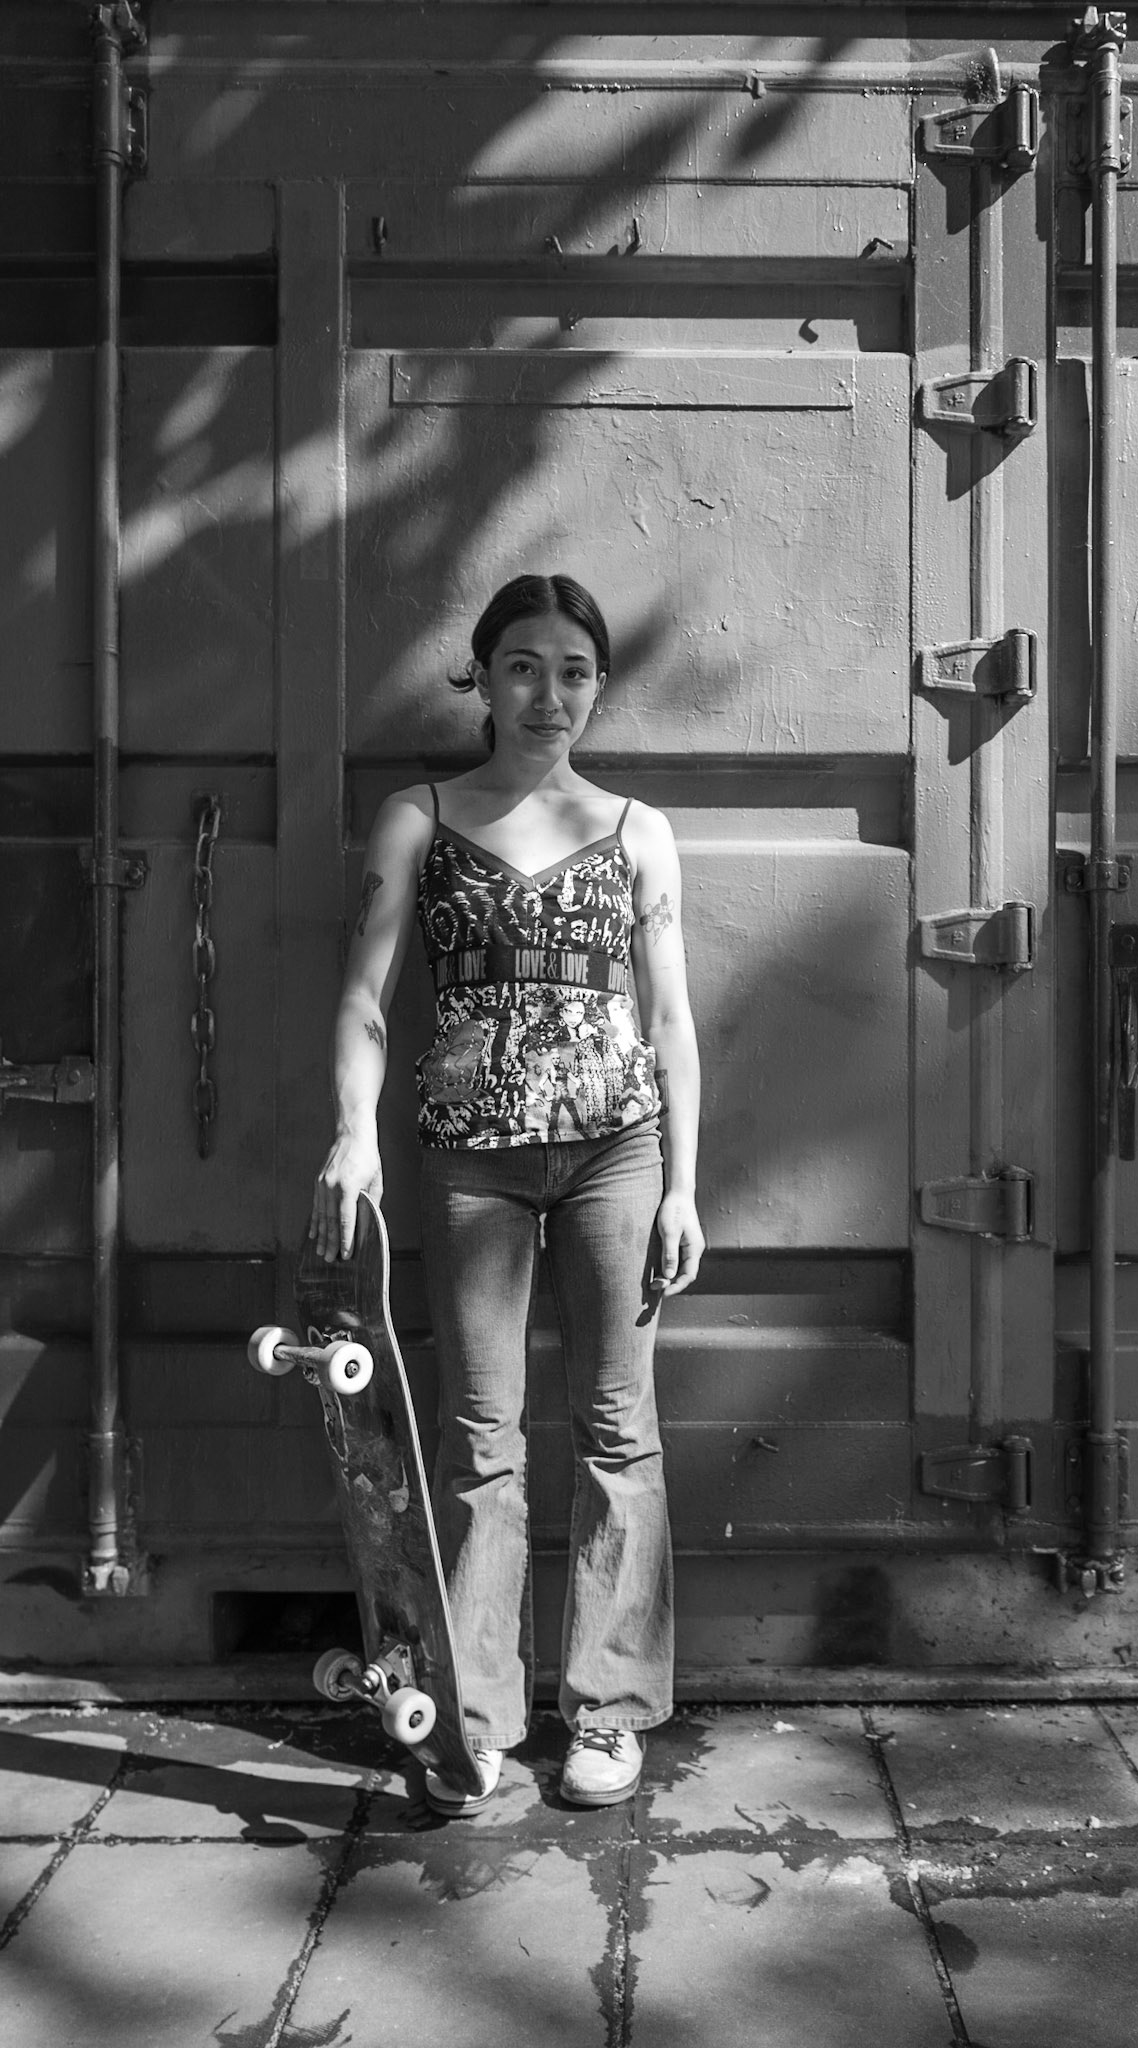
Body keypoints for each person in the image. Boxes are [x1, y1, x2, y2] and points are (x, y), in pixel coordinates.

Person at [310, 572, 704, 1814]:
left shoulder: (639, 828)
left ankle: (606, 1712)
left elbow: (675, 1021)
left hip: (616, 1156)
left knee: (616, 1427)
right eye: (524, 664)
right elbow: (364, 995)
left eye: (575, 669)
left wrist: (686, 1184)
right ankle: (475, 1719)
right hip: (470, 1160)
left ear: (600, 684)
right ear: (481, 676)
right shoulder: (419, 816)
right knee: (479, 1439)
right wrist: (351, 1139)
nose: (550, 692)